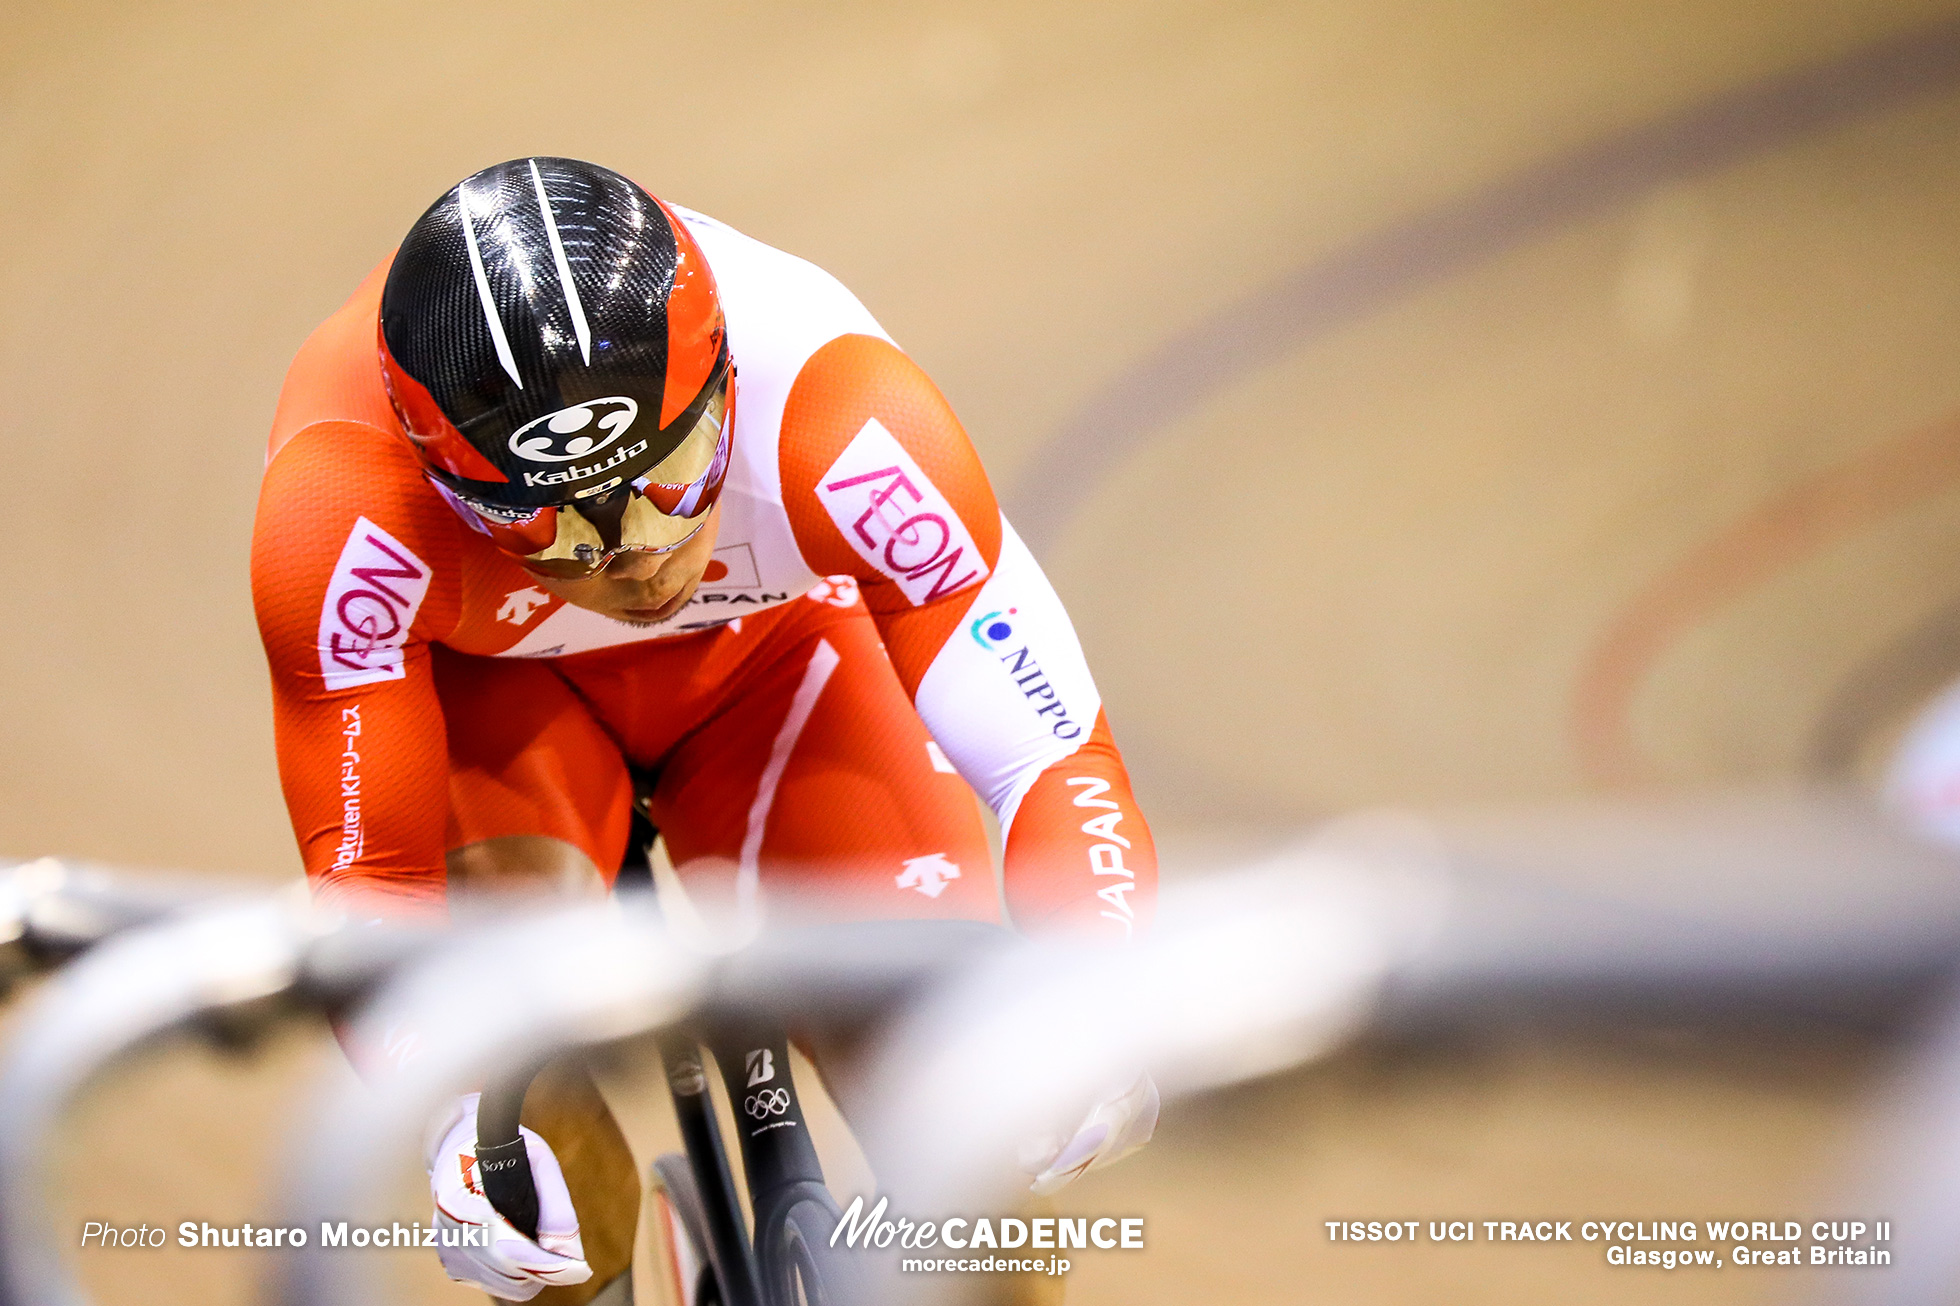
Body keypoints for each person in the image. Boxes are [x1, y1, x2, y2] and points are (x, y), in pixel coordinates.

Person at [251, 157, 1158, 1304]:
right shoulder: (341, 506)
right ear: (440, 476)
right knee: (510, 1120)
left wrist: (1099, 989)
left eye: (670, 475)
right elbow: (366, 876)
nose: (629, 549)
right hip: (500, 702)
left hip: (770, 665)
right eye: (545, 522)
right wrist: (441, 1116)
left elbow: (1049, 758)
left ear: (730, 383)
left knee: (959, 1130)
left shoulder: (840, 411)